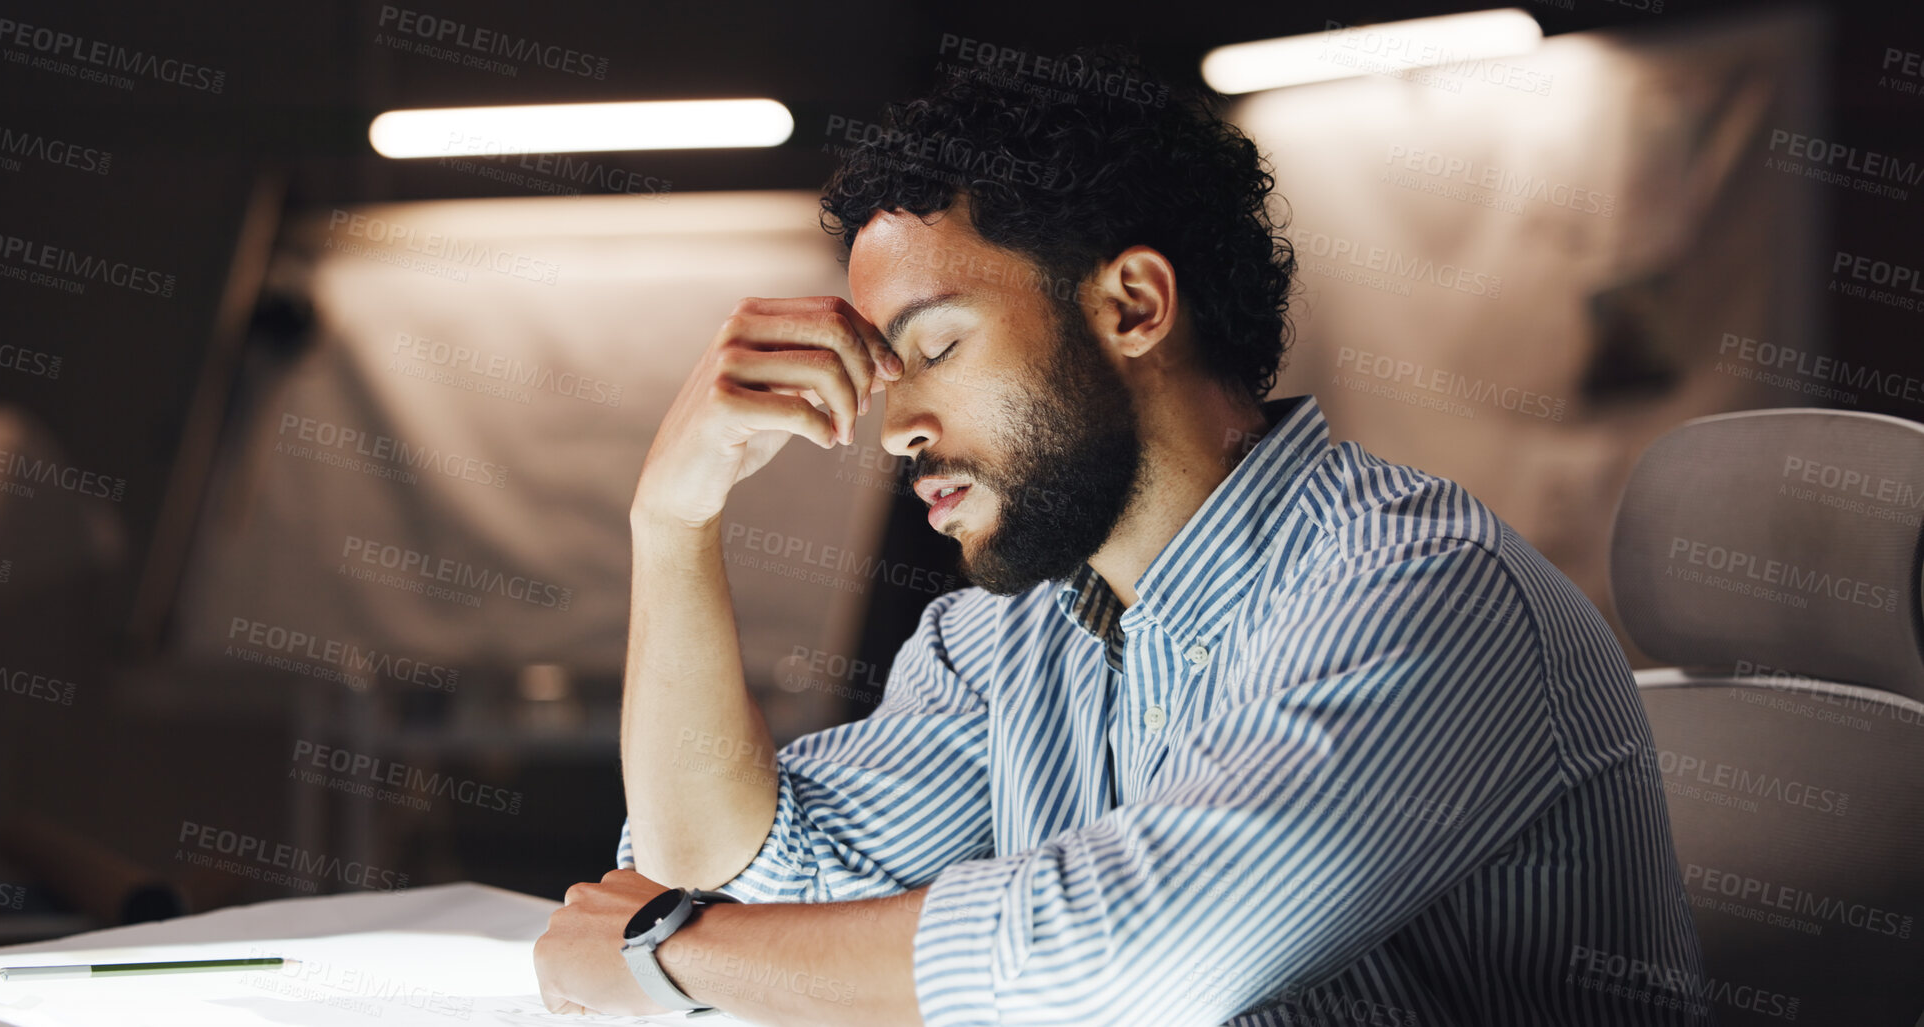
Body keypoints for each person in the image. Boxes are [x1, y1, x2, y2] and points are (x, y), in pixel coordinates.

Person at [534, 44, 1708, 1027]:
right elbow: (736, 871)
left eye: (936, 350)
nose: (893, 428)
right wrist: (672, 517)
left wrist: (670, 951)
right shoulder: (1001, 636)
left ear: (1134, 306)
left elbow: (1134, 959)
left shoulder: (1425, 593)